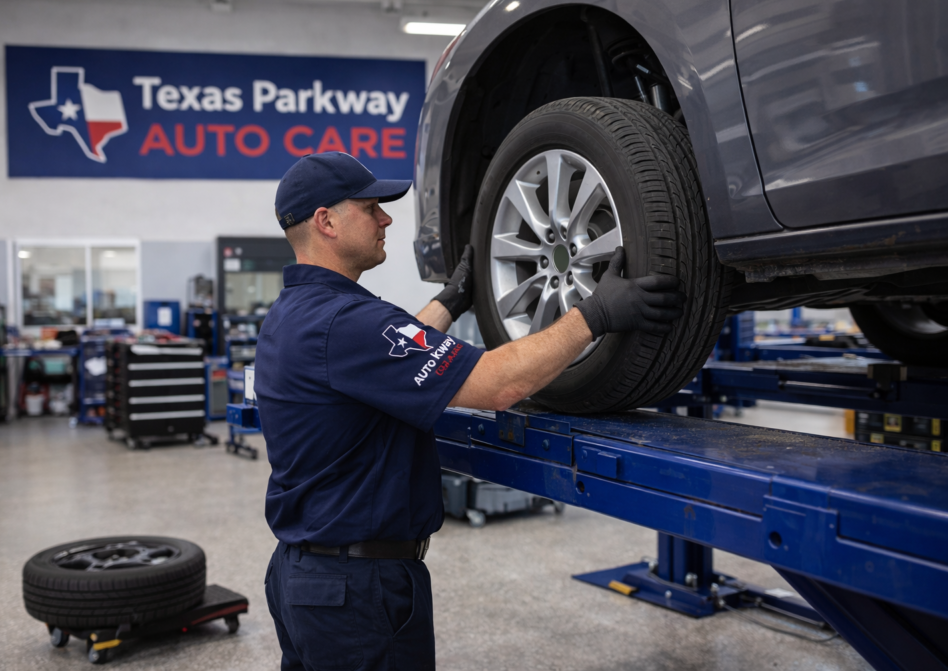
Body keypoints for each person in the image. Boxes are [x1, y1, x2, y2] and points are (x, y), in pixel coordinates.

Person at [256, 152, 684, 671]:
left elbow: (389, 357)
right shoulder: (347, 321)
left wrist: (452, 300)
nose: (386, 218)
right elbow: (498, 385)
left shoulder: (294, 315)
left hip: (303, 577)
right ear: (326, 221)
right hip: (357, 591)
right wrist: (592, 316)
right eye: (371, 208)